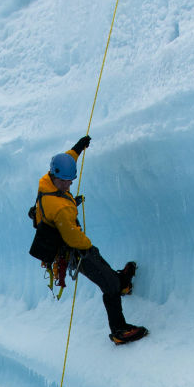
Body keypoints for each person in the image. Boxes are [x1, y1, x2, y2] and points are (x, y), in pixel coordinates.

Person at [32, 136, 148, 345]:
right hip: (72, 250)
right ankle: (119, 330)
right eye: (65, 181)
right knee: (107, 283)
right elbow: (73, 238)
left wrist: (79, 147)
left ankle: (121, 283)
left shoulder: (47, 181)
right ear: (55, 176)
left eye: (70, 180)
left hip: (67, 240)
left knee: (101, 265)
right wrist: (87, 246)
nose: (68, 184)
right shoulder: (59, 208)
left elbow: (68, 158)